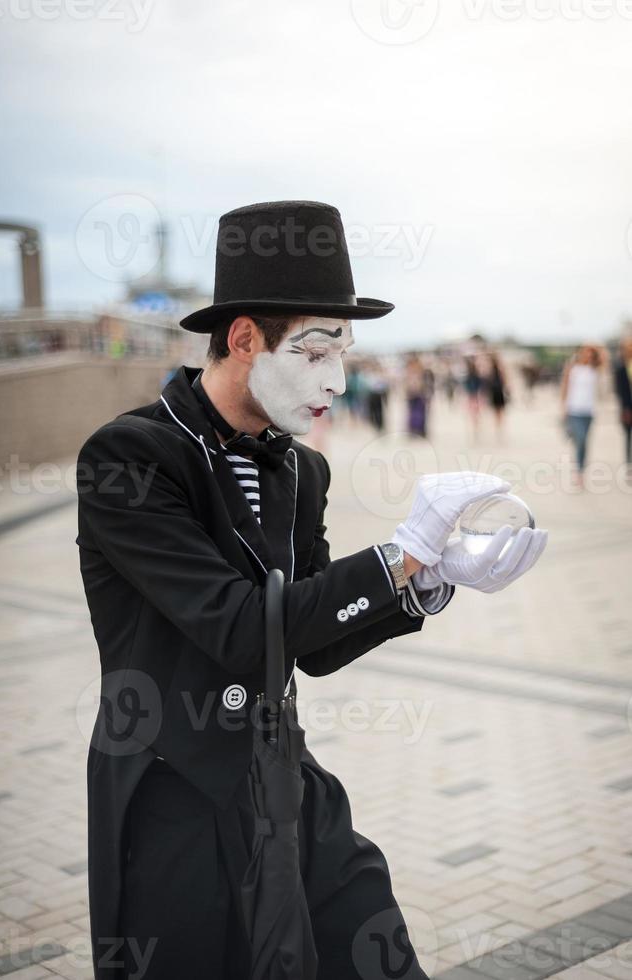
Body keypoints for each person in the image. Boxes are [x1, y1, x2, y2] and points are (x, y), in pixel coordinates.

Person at [76, 200, 547, 980]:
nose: (336, 379)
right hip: (173, 791)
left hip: (285, 779)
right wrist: (400, 552)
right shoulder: (131, 457)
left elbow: (313, 643)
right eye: (316, 350)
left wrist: (426, 577)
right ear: (244, 339)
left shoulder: (302, 467)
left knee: (374, 948)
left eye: (345, 354)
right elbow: (232, 625)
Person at [560, 344, 603, 487]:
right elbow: (565, 387)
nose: (588, 355)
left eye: (591, 353)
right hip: (574, 409)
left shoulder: (595, 369)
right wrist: (563, 406)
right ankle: (578, 472)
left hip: (589, 411)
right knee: (581, 439)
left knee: (585, 442)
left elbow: (606, 358)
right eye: (586, 352)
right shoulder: (573, 368)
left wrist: (595, 346)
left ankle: (581, 470)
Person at [613, 336, 632, 476]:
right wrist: (625, 409)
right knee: (629, 438)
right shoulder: (620, 367)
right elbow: (620, 391)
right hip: (627, 408)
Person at [485, 352, 509, 437]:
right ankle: (499, 427)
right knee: (499, 411)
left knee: (497, 411)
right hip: (497, 392)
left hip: (496, 392)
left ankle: (498, 427)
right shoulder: (498, 369)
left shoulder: (493, 369)